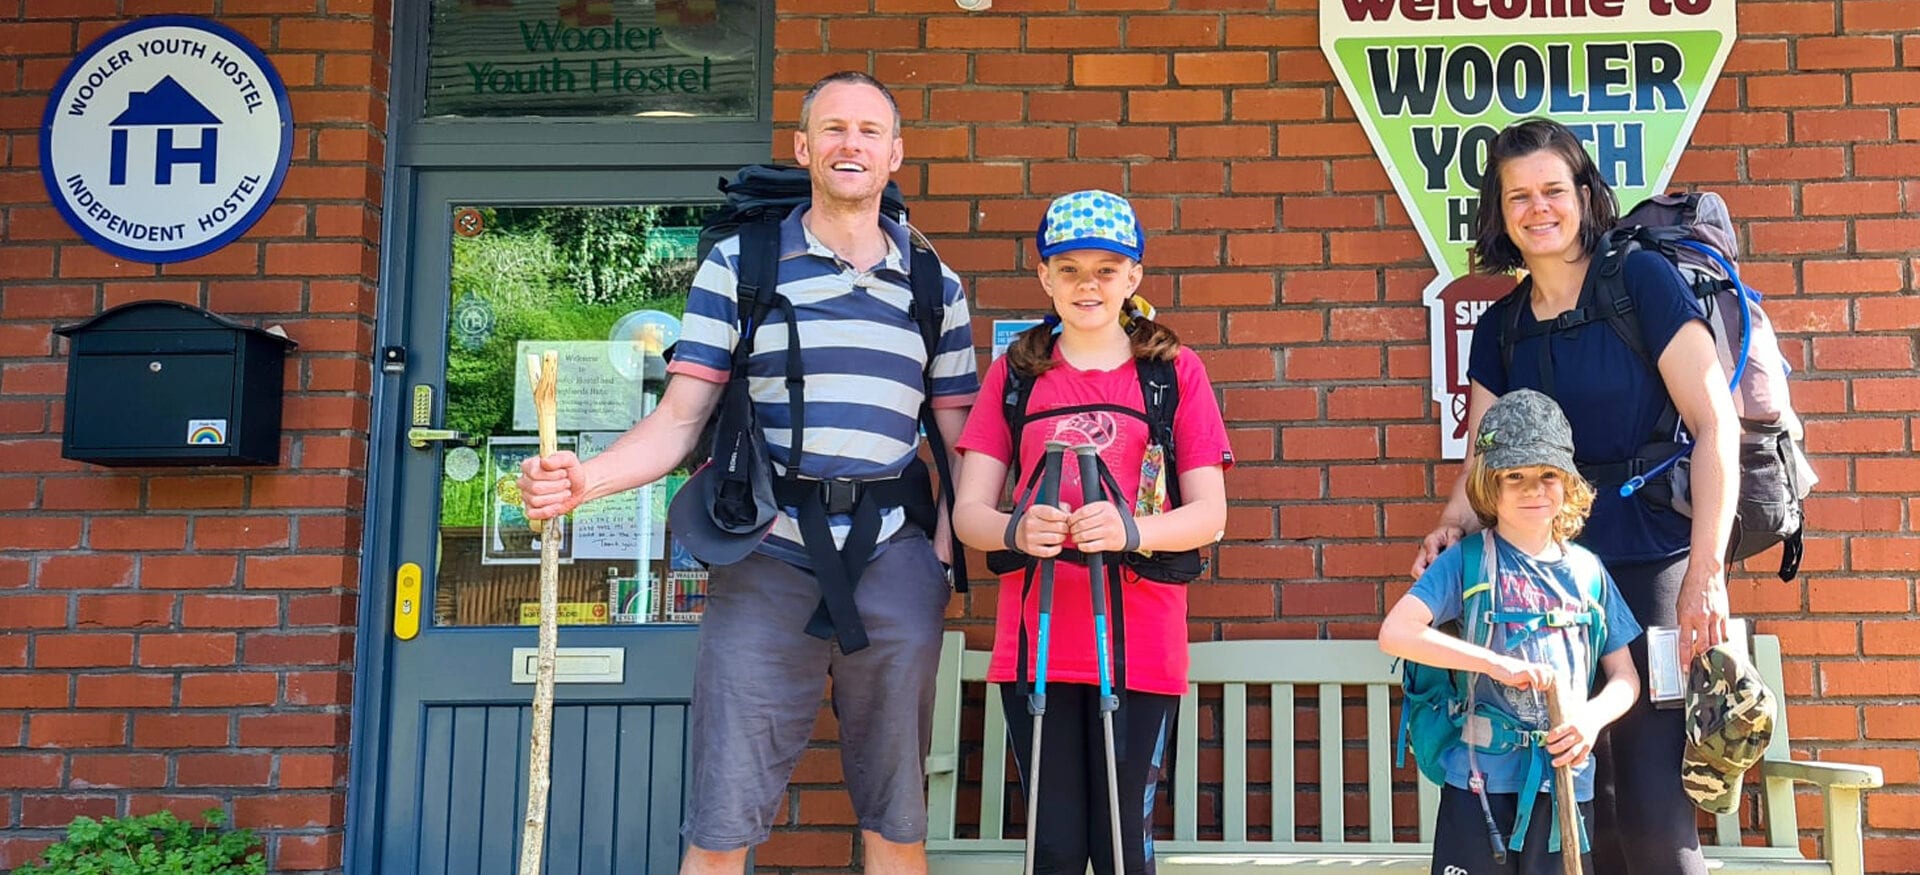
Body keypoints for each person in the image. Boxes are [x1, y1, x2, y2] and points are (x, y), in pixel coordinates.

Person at [518, 71, 977, 875]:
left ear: (895, 154)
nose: (851, 145)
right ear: (803, 148)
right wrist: (583, 478)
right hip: (767, 554)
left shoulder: (937, 285)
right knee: (723, 818)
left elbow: (960, 439)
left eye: (870, 132)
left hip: (896, 556)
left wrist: (946, 546)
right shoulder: (742, 264)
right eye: (832, 129)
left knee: (899, 814)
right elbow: (679, 420)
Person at [1410, 117, 1740, 874]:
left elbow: (1717, 425)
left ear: (1585, 194)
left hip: (1655, 568)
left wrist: (1706, 574)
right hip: (1545, 585)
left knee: (1654, 811)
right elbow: (1482, 461)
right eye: (1518, 195)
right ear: (1499, 212)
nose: (1538, 208)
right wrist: (1448, 526)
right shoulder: (1501, 326)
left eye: (1554, 189)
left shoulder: (1642, 283)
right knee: (1573, 804)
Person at [951, 190, 1231, 875]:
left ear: (1134, 276)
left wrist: (1130, 528)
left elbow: (1210, 515)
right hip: (1036, 642)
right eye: (1069, 268)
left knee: (1119, 841)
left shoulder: (1171, 374)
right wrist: (1019, 531)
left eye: (1107, 268)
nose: (1088, 284)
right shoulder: (1016, 375)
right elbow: (970, 515)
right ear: (1044, 275)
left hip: (1139, 643)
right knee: (1050, 843)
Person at [1382, 388, 1642, 875]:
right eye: (1515, 476)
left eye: (1547, 475)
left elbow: (1625, 677)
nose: (1533, 489)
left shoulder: (1587, 572)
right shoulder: (1467, 561)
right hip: (1478, 782)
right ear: (1489, 485)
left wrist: (1590, 721)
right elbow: (1396, 632)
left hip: (1564, 779)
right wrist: (1495, 663)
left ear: (1567, 483)